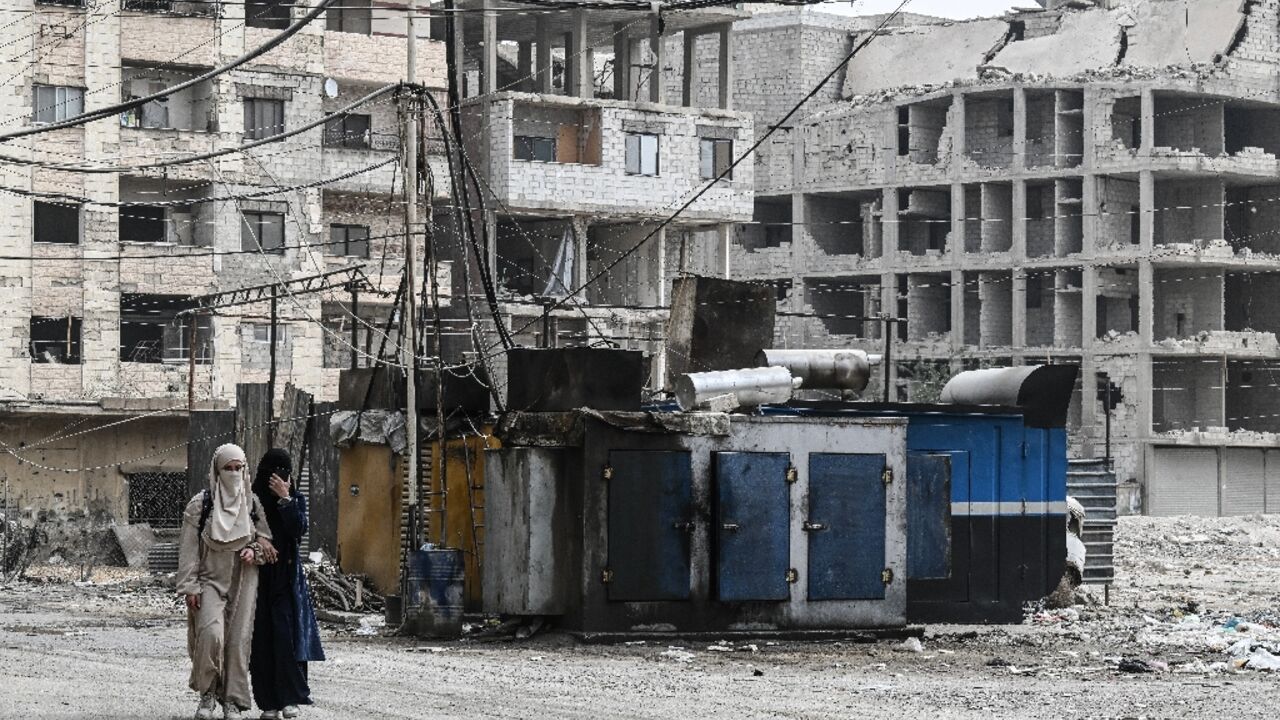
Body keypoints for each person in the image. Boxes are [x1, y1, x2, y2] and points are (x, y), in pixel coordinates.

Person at [177, 444, 275, 720]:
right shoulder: (201, 504)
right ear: (216, 471)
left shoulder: (252, 503)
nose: (233, 474)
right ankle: (207, 695)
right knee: (210, 636)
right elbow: (188, 549)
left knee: (237, 642)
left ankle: (232, 701)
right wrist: (189, 586)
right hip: (209, 580)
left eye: (238, 468)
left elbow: (266, 540)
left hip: (243, 582)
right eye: (227, 469)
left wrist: (254, 551)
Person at [249, 448, 324, 720]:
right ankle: (268, 701)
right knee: (261, 640)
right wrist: (259, 539)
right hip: (256, 579)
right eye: (273, 471)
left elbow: (298, 530)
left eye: (283, 471)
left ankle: (290, 698)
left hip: (286, 579)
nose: (278, 477)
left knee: (286, 637)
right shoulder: (250, 499)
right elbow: (241, 530)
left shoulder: (295, 498)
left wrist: (285, 499)